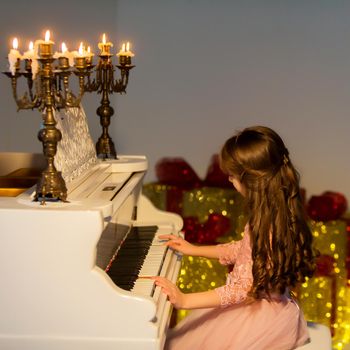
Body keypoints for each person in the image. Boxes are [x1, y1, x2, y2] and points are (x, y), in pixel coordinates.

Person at [153, 126, 316, 350]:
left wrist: (186, 300)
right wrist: (194, 248)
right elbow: (243, 250)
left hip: (259, 319)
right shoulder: (274, 214)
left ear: (253, 181)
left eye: (233, 174)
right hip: (264, 304)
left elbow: (243, 289)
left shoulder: (267, 226)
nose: (229, 179)